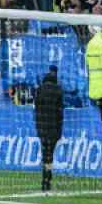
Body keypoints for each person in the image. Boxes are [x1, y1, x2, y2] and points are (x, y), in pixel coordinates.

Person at [32, 65, 63, 193]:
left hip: (42, 128)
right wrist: (60, 130)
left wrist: (38, 126)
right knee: (50, 155)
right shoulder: (59, 91)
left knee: (46, 154)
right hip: (54, 128)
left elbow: (36, 109)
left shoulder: (39, 90)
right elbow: (60, 113)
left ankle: (45, 180)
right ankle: (47, 179)